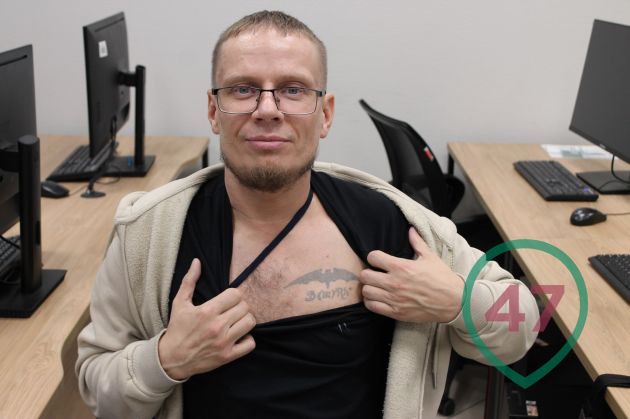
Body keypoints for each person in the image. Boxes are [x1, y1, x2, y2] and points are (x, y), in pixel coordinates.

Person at [76, 10, 539, 419]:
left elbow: (524, 321)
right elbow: (97, 389)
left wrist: (458, 301)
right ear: (214, 111)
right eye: (243, 89)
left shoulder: (390, 224)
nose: (267, 110)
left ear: (325, 114)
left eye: (293, 90)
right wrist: (165, 360)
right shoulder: (150, 235)